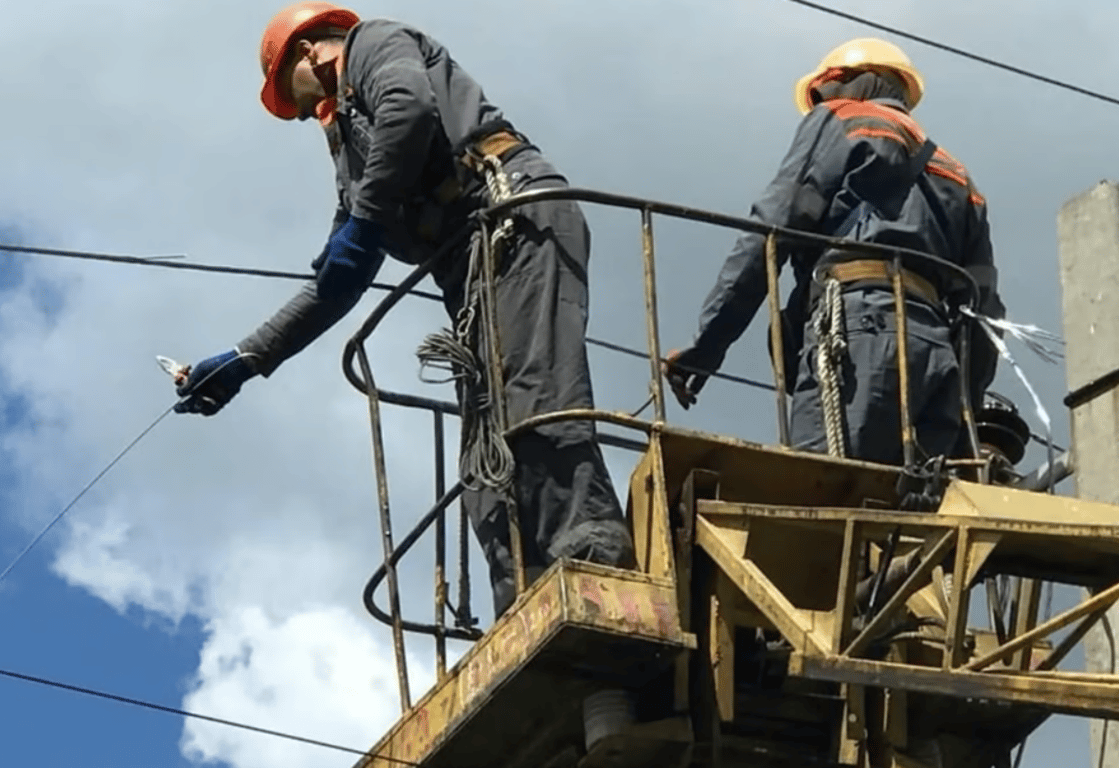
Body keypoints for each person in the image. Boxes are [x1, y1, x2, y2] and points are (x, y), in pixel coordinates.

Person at [173, 1, 634, 619]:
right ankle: (523, 600)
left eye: (298, 97)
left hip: (518, 222)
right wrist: (245, 359)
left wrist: (364, 223)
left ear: (309, 51)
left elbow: (409, 110)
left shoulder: (375, 45)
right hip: (473, 274)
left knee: (534, 398)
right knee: (483, 463)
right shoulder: (356, 165)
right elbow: (335, 285)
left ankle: (592, 556)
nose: (309, 114)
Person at [664, 38, 1005, 467]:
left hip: (857, 333)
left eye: (825, 91)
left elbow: (771, 229)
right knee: (910, 522)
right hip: (937, 360)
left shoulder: (843, 119)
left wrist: (706, 347)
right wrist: (963, 410)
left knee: (821, 493)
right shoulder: (959, 176)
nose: (821, 103)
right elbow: (986, 312)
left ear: (855, 81)